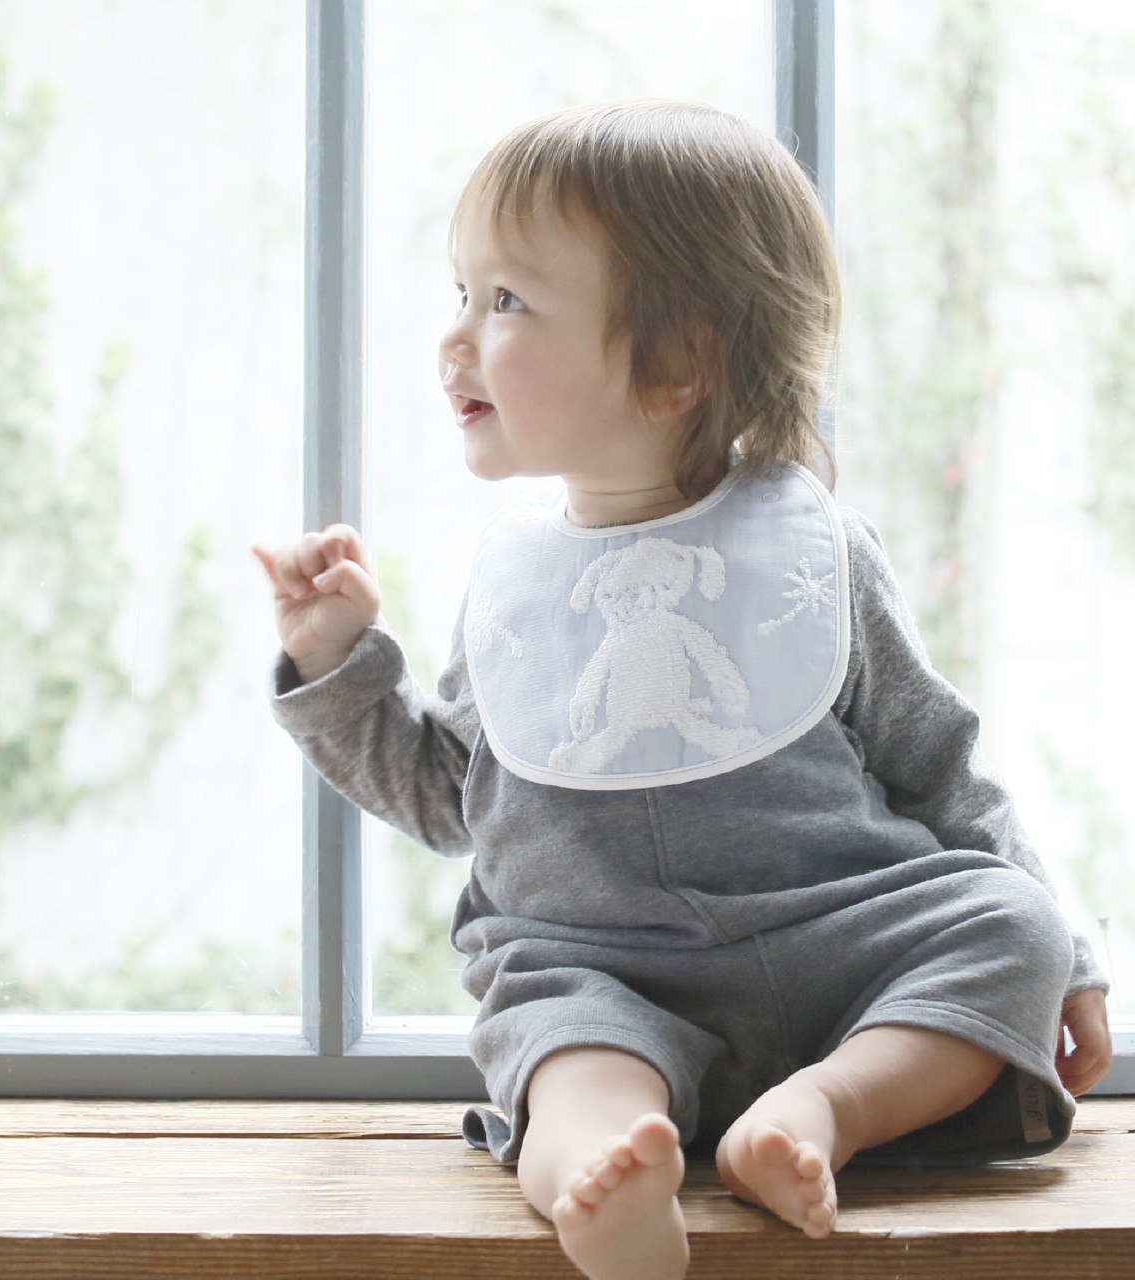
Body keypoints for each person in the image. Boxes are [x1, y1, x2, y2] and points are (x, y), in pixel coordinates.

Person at [253, 100, 1113, 1280]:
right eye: (460, 293)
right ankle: (605, 1177)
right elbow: (452, 796)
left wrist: (1060, 947)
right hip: (598, 970)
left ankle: (813, 1113)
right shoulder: (510, 580)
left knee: (1002, 922)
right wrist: (338, 661)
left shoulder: (812, 551)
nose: (455, 340)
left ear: (672, 363)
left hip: (841, 947)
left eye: (504, 302)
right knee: (558, 1047)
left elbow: (934, 761)